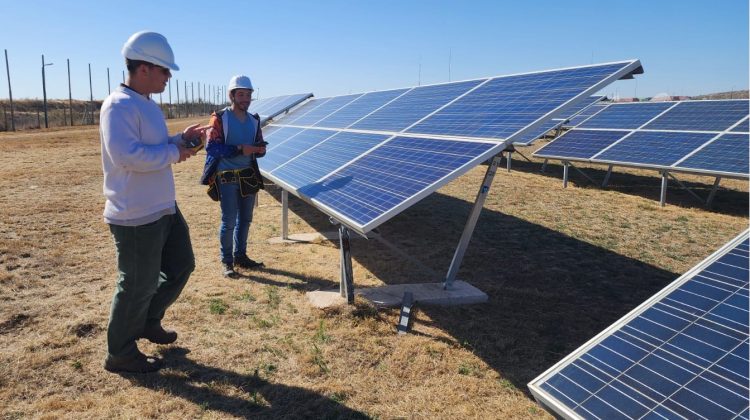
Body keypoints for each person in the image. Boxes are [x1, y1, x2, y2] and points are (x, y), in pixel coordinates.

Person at [100, 31, 206, 373]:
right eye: (164, 70)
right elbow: (126, 156)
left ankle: (147, 321)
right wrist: (175, 152)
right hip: (135, 214)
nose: (169, 77)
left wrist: (179, 139)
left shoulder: (146, 104)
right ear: (144, 68)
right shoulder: (118, 105)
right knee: (135, 284)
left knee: (181, 266)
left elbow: (152, 145)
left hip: (163, 207)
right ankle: (120, 353)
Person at [200, 75, 266, 278]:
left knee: (245, 220)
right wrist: (240, 149)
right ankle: (227, 261)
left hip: (247, 176)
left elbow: (261, 148)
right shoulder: (220, 118)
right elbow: (212, 147)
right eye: (241, 94)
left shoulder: (254, 121)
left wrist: (258, 149)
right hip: (226, 176)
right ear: (232, 96)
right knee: (229, 220)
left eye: (248, 95)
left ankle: (241, 256)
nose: (245, 98)